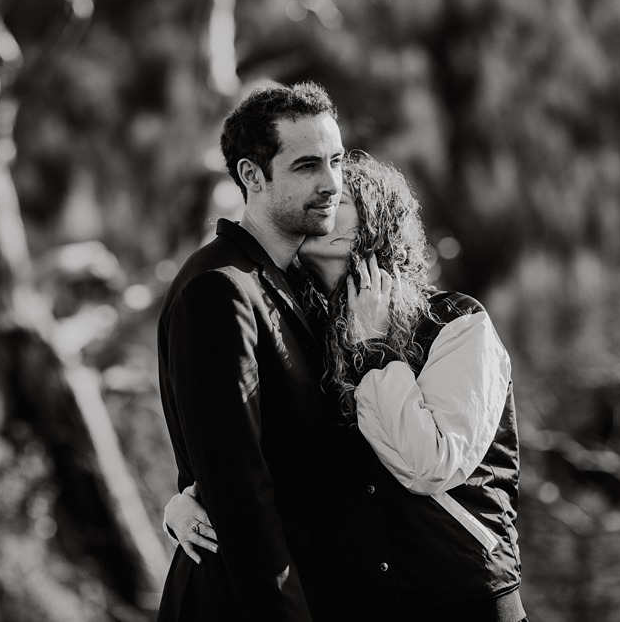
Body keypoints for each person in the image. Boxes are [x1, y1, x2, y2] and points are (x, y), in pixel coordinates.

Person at [165, 148, 527, 622]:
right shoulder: (309, 335)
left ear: (375, 224)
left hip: (464, 600)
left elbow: (429, 464)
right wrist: (189, 500)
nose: (323, 206)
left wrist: (374, 348)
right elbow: (273, 460)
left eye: (344, 201)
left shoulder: (457, 323)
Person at [156, 81, 396, 621]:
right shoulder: (217, 290)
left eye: (336, 160)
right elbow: (240, 493)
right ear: (252, 176)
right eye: (307, 166)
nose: (333, 183)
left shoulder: (298, 286)